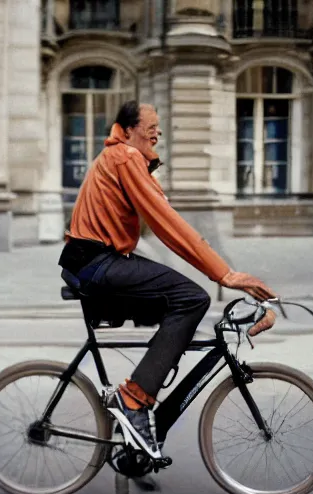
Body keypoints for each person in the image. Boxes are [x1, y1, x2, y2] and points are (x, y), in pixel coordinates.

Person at [58, 101, 277, 455]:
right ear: (128, 130)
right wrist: (225, 274)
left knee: (175, 311)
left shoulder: (123, 157)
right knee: (192, 298)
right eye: (151, 126)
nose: (157, 132)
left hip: (96, 260)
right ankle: (133, 399)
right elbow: (166, 223)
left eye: (159, 127)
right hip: (96, 262)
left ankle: (135, 439)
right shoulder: (125, 156)